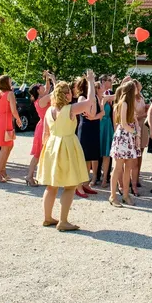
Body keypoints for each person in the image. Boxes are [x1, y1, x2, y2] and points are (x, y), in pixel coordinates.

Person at [39, 72, 98, 232]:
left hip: (51, 147)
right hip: (66, 145)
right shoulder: (70, 109)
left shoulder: (49, 111)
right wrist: (91, 82)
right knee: (70, 185)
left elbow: (45, 133)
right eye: (69, 92)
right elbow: (90, 101)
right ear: (66, 95)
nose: (72, 94)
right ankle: (63, 221)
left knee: (51, 186)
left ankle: (47, 217)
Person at [109, 81, 140, 207]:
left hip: (130, 137)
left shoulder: (131, 103)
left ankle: (126, 195)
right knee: (117, 168)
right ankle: (113, 196)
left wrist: (137, 132)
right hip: (123, 137)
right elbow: (123, 124)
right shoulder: (124, 104)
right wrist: (135, 133)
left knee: (128, 168)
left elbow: (134, 120)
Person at [0, 75, 22, 183]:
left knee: (9, 146)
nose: (11, 82)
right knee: (5, 148)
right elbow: (14, 110)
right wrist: (18, 119)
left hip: (1, 122)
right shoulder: (10, 94)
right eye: (10, 81)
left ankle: (2, 170)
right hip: (5, 122)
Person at [75, 76, 102, 193]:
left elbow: (102, 112)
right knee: (83, 157)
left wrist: (95, 117)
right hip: (85, 129)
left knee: (91, 157)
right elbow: (88, 113)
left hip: (95, 128)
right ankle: (79, 185)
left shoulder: (95, 97)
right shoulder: (82, 98)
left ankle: (86, 183)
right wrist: (94, 116)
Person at [28, 71, 55, 186]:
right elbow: (55, 93)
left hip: (44, 125)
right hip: (44, 127)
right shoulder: (43, 100)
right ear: (38, 90)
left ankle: (39, 176)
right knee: (38, 154)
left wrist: (47, 78)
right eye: (41, 86)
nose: (44, 87)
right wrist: (54, 79)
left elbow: (48, 88)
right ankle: (29, 176)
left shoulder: (41, 97)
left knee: (43, 153)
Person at [132, 80, 149, 190]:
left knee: (141, 152)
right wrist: (145, 113)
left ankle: (137, 177)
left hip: (142, 125)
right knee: (133, 152)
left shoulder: (141, 96)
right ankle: (131, 177)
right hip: (135, 126)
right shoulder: (131, 99)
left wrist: (146, 107)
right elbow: (132, 117)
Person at [99, 89, 115, 189]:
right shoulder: (98, 99)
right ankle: (95, 177)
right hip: (99, 125)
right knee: (96, 154)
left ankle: (105, 178)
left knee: (106, 153)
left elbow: (117, 95)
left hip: (108, 126)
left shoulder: (106, 98)